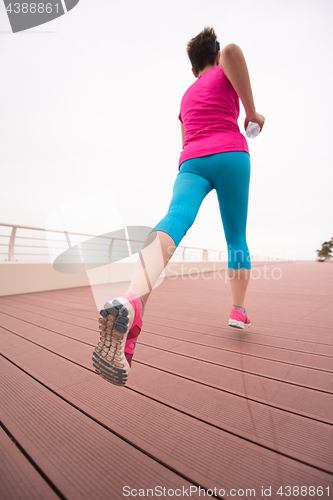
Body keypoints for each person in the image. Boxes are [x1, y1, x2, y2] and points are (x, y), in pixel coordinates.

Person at [92, 27, 265, 387]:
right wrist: (252, 113)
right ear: (215, 58)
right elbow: (233, 50)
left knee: (175, 218)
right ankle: (238, 310)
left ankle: (133, 297)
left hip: (192, 161)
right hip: (231, 153)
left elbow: (185, 138)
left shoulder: (185, 97)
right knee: (236, 236)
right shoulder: (225, 62)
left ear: (191, 69)